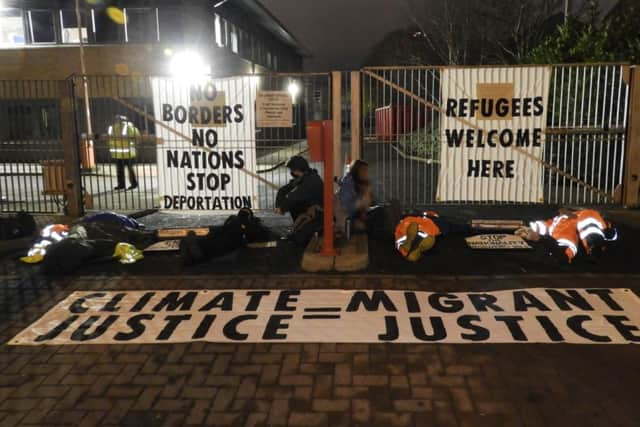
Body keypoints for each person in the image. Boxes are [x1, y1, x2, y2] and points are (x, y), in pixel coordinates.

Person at [517, 208, 617, 263]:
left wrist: (539, 237)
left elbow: (563, 255)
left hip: (581, 232)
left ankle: (594, 245)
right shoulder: (558, 224)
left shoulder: (586, 216)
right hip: (566, 225)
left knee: (587, 216)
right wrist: (529, 227)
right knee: (587, 216)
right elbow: (547, 225)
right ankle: (595, 245)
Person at [180, 208, 271, 265]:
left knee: (205, 244)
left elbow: (222, 229)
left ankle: (194, 253)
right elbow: (263, 235)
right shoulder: (246, 227)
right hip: (217, 246)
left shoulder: (234, 222)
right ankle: (195, 254)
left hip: (215, 244)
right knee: (210, 247)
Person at [394, 210, 469, 262]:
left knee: (450, 225)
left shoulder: (402, 226)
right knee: (453, 225)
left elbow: (398, 242)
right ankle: (467, 226)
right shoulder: (406, 220)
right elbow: (425, 214)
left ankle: (416, 246)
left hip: (425, 229)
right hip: (429, 225)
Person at [275, 156, 323, 221]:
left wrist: (282, 208)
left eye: (291, 169)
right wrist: (278, 206)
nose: (291, 171)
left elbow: (295, 197)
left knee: (295, 204)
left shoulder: (311, 180)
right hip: (310, 209)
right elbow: (283, 190)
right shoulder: (304, 177)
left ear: (297, 170)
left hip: (316, 213)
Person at [334, 160, 372, 236]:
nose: (366, 173)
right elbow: (347, 207)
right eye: (363, 170)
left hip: (354, 218)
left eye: (366, 170)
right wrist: (362, 201)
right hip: (344, 221)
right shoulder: (348, 183)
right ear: (356, 170)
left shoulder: (362, 183)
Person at [108, 114, 140, 190]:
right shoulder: (131, 127)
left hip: (121, 153)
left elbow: (109, 139)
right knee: (128, 169)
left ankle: (122, 185)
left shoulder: (113, 128)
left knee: (121, 170)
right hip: (127, 153)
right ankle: (132, 184)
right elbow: (138, 138)